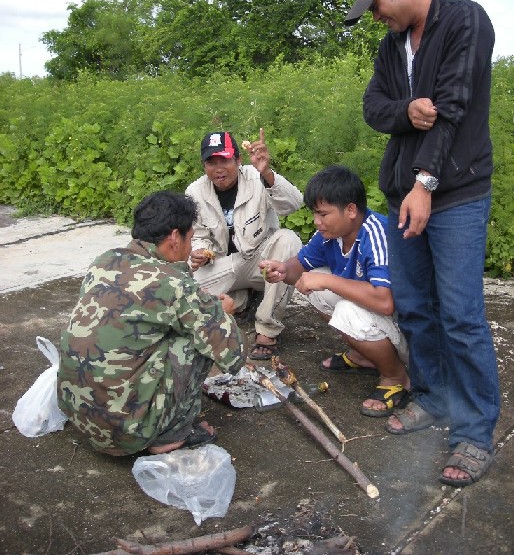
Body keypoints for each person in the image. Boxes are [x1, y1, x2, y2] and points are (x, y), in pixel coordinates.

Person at [345, 0, 500, 486]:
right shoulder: (392, 48)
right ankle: (434, 399)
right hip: (402, 195)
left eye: (376, 5)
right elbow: (373, 108)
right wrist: (406, 111)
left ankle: (475, 431)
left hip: (454, 194)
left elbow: (455, 105)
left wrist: (425, 182)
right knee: (415, 306)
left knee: (460, 314)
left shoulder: (465, 20)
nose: (375, 17)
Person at [57, 190, 245, 457]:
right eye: (190, 239)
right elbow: (232, 356)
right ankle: (170, 434)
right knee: (195, 338)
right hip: (125, 435)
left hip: (80, 415)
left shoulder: (104, 261)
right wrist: (222, 313)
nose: (191, 248)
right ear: (174, 238)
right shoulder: (173, 282)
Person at [260, 165, 410, 417]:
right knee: (317, 288)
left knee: (343, 306)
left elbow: (385, 302)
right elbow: (301, 265)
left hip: (408, 330)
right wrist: (283, 270)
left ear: (351, 210)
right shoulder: (332, 233)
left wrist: (327, 281)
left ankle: (397, 376)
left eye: (323, 214)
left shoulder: (375, 233)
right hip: (380, 315)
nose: (317, 222)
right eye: (315, 214)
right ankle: (365, 356)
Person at [185, 129, 303, 360]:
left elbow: (294, 204)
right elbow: (197, 234)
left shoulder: (257, 176)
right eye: (211, 161)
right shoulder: (195, 191)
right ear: (204, 165)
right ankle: (242, 300)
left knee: (289, 240)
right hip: (223, 263)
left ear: (238, 160)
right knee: (186, 290)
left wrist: (267, 173)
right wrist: (199, 250)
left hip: (260, 259)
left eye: (225, 160)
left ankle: (267, 329)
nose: (219, 168)